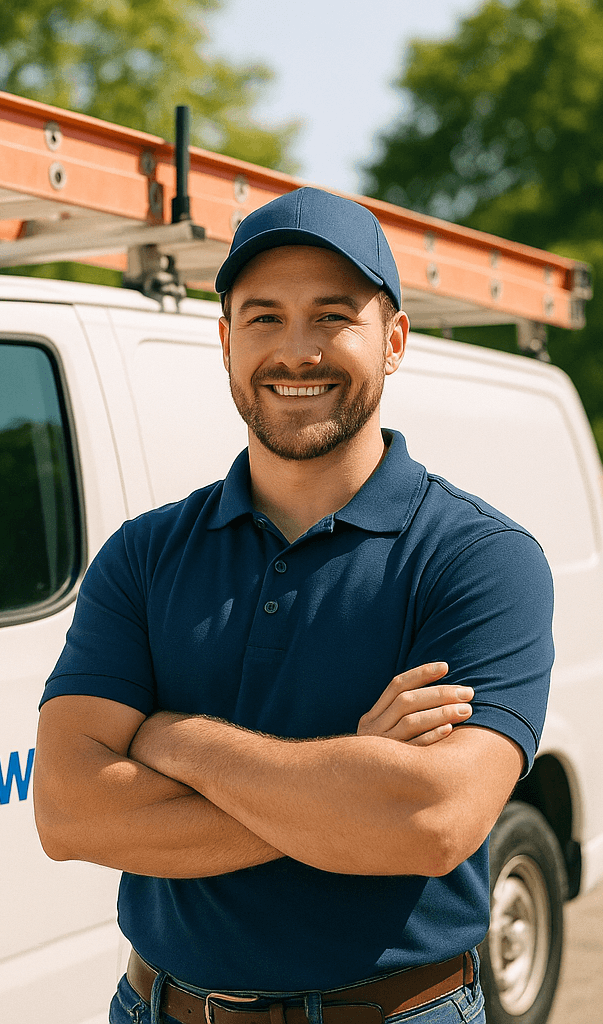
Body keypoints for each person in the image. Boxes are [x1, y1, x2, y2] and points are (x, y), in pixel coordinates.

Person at [33, 187, 554, 1024]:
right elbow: (68, 811)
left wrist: (177, 738)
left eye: (332, 317)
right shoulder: (145, 554)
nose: (296, 351)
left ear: (393, 341)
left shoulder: (482, 560)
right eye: (265, 317)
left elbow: (430, 819)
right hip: (160, 1008)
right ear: (226, 342)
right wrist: (349, 779)